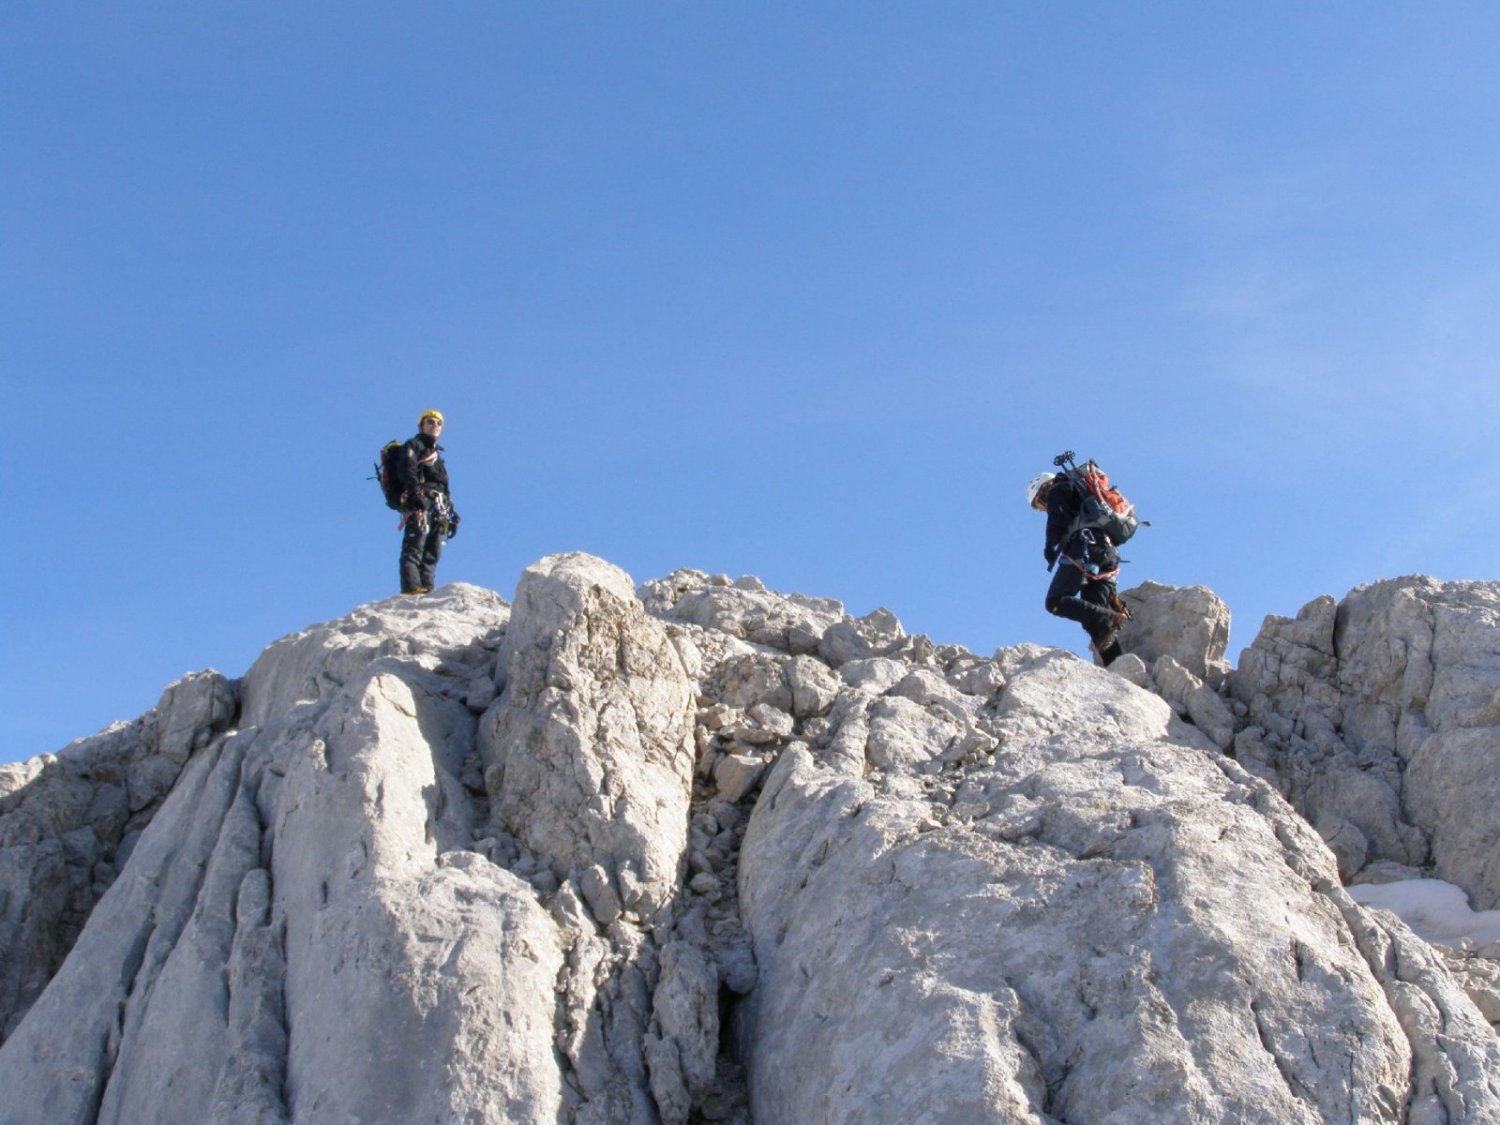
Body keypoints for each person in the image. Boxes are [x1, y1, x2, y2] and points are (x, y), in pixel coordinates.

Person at [1028, 468, 1128, 665]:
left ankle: (1111, 616)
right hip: (1108, 554)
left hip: (1084, 549)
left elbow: (1057, 521)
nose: (1042, 509)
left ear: (1041, 491)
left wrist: (1050, 548)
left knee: (1055, 601)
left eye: (1038, 505)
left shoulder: (1057, 490)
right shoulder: (1078, 494)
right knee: (1096, 623)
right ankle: (1119, 665)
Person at [395, 409, 460, 595]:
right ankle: (412, 588)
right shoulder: (413, 445)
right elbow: (407, 470)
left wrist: (452, 513)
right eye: (430, 422)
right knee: (415, 545)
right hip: (421, 500)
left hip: (439, 506)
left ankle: (428, 591)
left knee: (432, 551)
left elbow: (443, 486)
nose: (435, 425)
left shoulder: (437, 457)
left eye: (439, 423)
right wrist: (414, 494)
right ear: (421, 426)